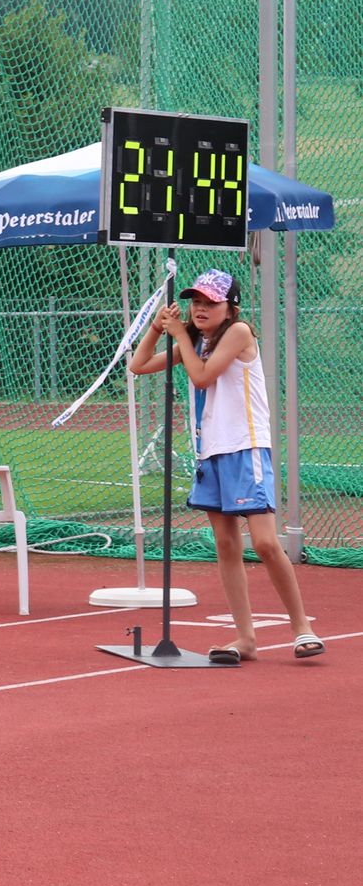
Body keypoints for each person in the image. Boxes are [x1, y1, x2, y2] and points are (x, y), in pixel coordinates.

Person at [126, 268, 324, 663]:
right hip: (210, 451)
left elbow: (201, 379)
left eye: (210, 302)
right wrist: (156, 327)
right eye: (195, 302)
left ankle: (302, 627)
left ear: (230, 306)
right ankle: (245, 638)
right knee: (226, 545)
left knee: (266, 543)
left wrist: (179, 334)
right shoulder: (194, 340)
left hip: (245, 447)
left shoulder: (238, 333)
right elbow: (138, 365)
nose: (199, 309)